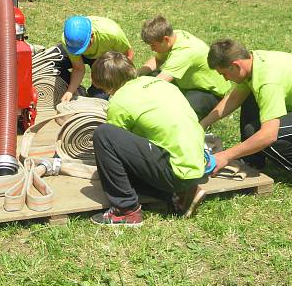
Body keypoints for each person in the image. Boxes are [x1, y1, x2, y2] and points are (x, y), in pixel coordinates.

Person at [201, 39, 292, 197]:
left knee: (268, 138)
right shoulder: (252, 63)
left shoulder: (268, 82)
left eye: (224, 74)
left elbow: (268, 136)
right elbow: (235, 97)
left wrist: (225, 155)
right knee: (251, 100)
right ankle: (254, 158)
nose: (225, 79)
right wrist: (201, 125)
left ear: (236, 65)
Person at [89, 51, 208, 226]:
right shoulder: (160, 83)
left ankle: (126, 210)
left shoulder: (120, 101)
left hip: (175, 171)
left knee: (104, 135)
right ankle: (181, 193)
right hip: (195, 166)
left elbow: (115, 150)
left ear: (106, 85)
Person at [138, 16, 230, 118]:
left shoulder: (184, 52)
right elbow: (158, 60)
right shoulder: (174, 35)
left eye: (153, 45)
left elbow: (158, 83)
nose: (151, 49)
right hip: (187, 84)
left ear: (166, 39)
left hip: (208, 92)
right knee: (147, 77)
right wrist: (135, 75)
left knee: (182, 115)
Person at [59, 15, 134, 102]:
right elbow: (78, 68)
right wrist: (70, 91)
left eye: (86, 46)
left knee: (99, 98)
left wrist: (113, 79)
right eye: (79, 50)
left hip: (105, 58)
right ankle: (77, 89)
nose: (83, 51)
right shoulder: (70, 42)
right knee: (53, 63)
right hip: (83, 53)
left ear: (92, 35)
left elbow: (128, 57)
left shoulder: (112, 35)